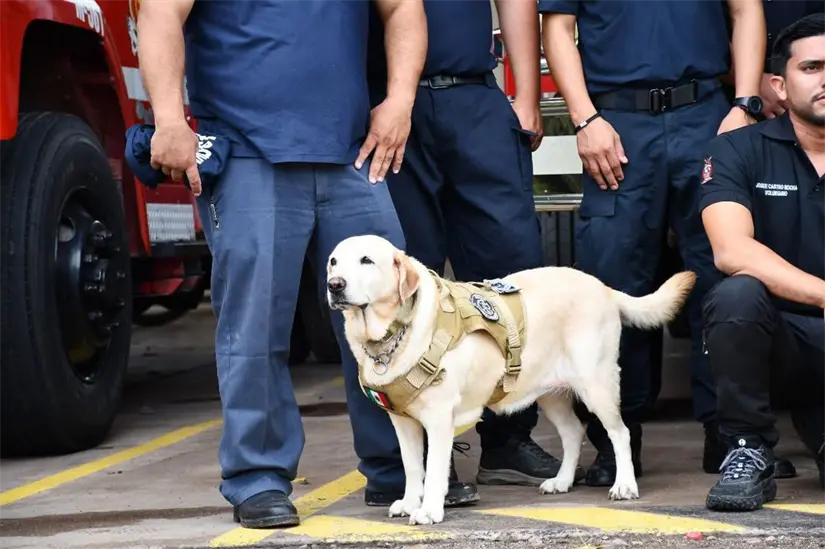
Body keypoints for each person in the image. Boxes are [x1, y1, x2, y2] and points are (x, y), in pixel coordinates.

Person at [137, 0, 427, 528]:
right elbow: (160, 12)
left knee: (391, 316)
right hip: (248, 152)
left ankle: (397, 469)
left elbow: (403, 6)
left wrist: (401, 99)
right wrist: (168, 117)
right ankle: (258, 477)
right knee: (255, 325)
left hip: (350, 153)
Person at [538, 0, 771, 487]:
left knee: (723, 277)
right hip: (618, 127)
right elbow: (557, 26)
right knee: (613, 285)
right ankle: (617, 442)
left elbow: (747, 9)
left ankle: (730, 435)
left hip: (706, 114)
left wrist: (744, 104)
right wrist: (584, 120)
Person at [363, 0, 585, 500]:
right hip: (389, 101)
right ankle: (415, 465)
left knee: (510, 274)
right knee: (403, 282)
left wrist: (526, 93)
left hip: (475, 97)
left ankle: (508, 441)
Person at [700, 13, 825, 512]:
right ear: (778, 82)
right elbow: (731, 250)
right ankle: (748, 450)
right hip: (779, 344)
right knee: (736, 293)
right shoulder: (736, 150)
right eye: (813, 67)